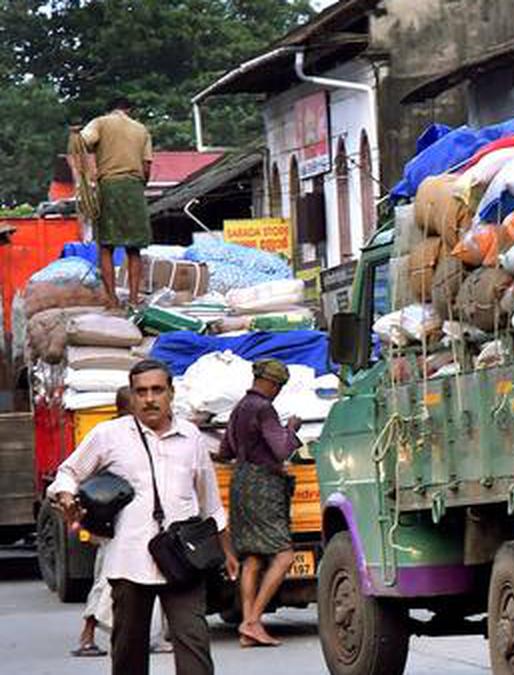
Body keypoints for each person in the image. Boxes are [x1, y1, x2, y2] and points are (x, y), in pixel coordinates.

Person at [49, 360, 238, 675]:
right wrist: (67, 497)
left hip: (182, 560)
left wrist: (227, 550)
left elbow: (211, 503)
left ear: (171, 394)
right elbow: (69, 472)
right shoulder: (109, 435)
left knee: (195, 645)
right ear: (132, 396)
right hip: (129, 560)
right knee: (128, 652)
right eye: (141, 392)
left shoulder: (191, 437)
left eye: (157, 390)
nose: (150, 398)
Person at [73, 386, 172, 658]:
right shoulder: (113, 437)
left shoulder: (143, 434)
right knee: (107, 581)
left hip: (135, 524)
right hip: (116, 526)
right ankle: (87, 634)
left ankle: (155, 635)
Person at [218, 359, 301, 648]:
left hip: (239, 483)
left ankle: (247, 630)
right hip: (264, 486)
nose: (278, 392)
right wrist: (291, 429)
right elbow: (281, 451)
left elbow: (224, 450)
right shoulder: (264, 408)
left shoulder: (240, 407)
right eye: (279, 386)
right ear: (272, 383)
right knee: (283, 555)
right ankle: (252, 621)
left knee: (252, 557)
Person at [77, 96, 153, 308]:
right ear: (129, 109)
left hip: (109, 186)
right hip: (135, 187)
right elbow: (147, 167)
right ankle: (134, 298)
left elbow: (82, 141)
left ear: (109, 110)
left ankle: (111, 299)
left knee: (106, 247)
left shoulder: (100, 122)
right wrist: (140, 185)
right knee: (134, 248)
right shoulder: (142, 130)